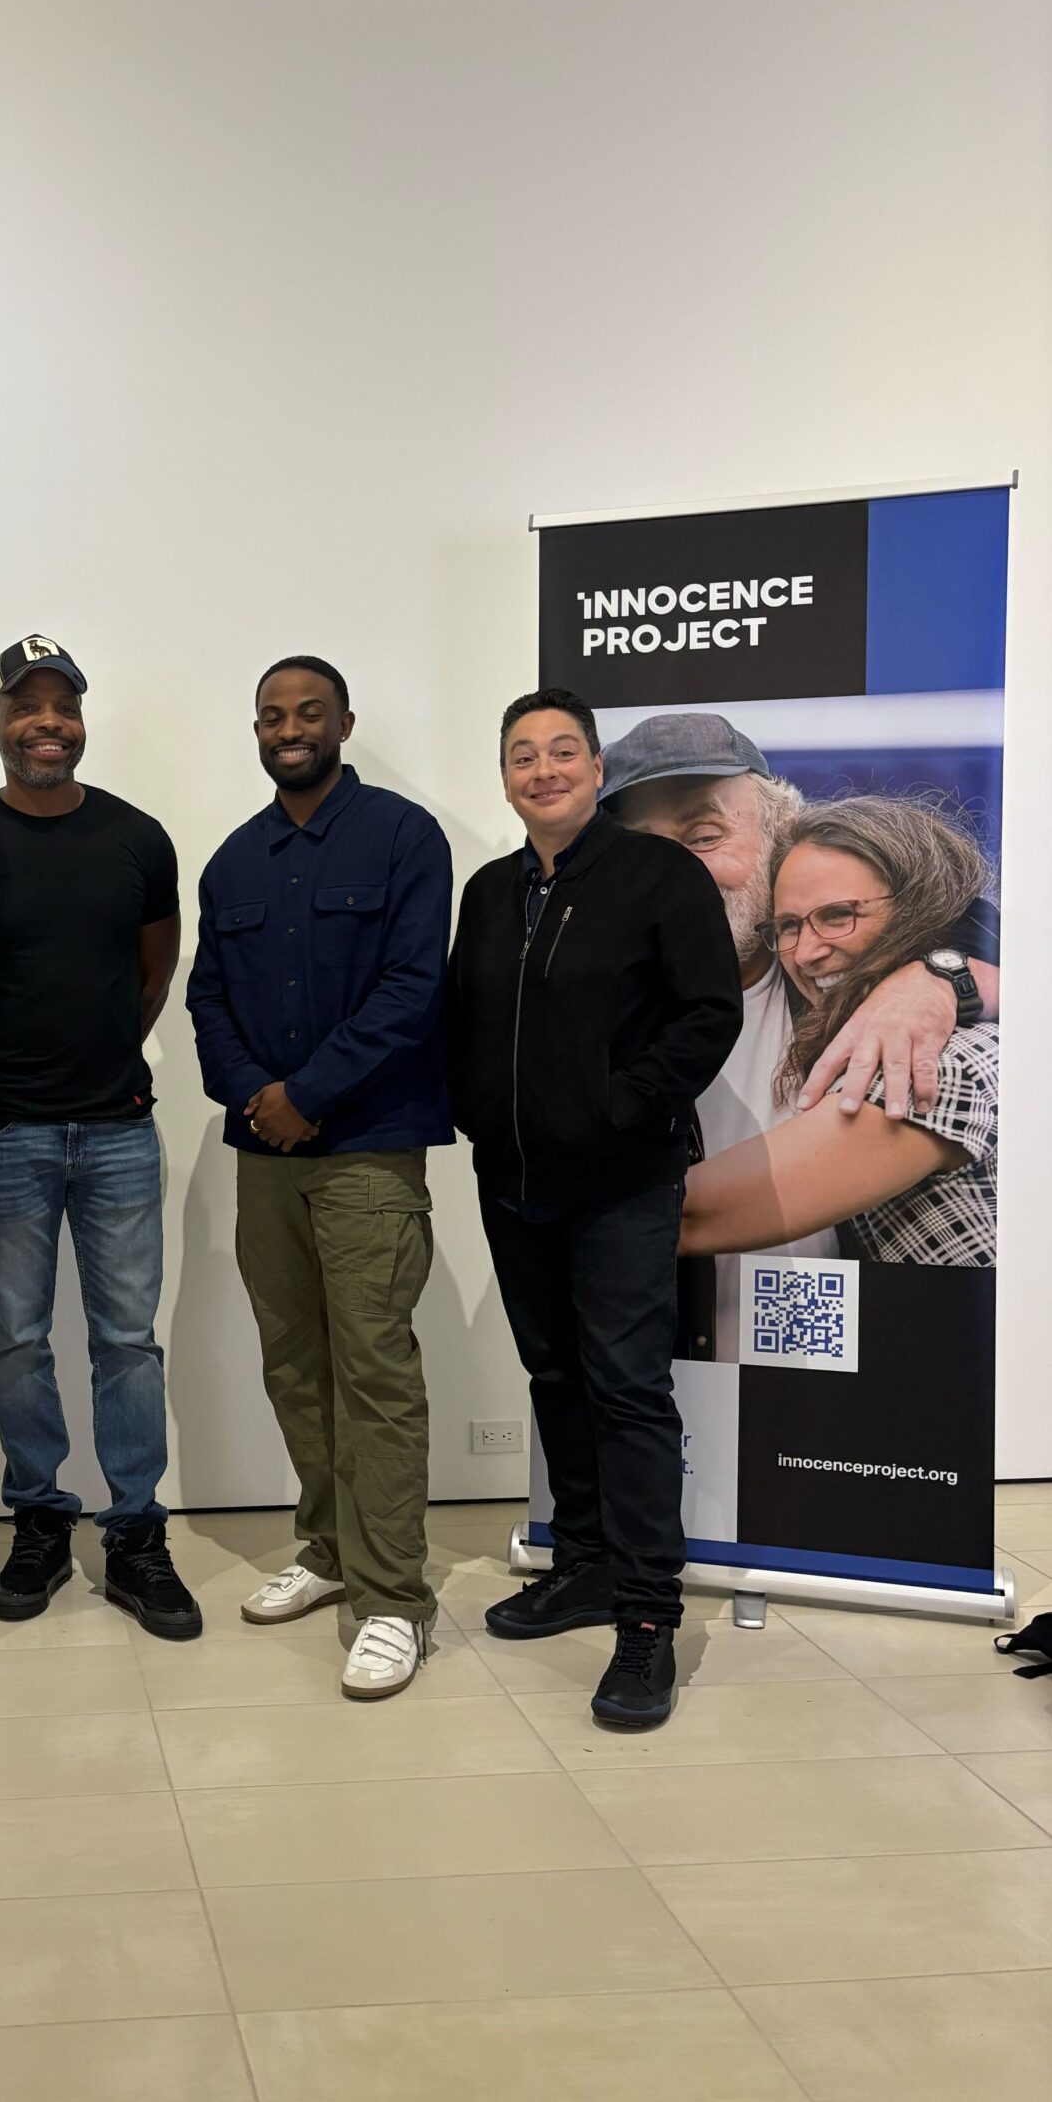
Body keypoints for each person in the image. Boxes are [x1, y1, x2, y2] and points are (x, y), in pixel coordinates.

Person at [451, 689, 741, 1730]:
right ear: (506, 775)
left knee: (626, 1389)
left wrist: (622, 1105)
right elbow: (467, 1019)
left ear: (595, 765)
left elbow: (710, 1010)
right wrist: (479, 1116)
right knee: (555, 1376)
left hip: (622, 1180)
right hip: (515, 1180)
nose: (543, 769)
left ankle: (648, 1620)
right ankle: (581, 1566)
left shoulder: (657, 873)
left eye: (562, 750)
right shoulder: (490, 892)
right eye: (521, 754)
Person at [188, 657, 451, 1700]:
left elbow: (412, 988)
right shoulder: (233, 861)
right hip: (267, 1159)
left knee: (375, 1372)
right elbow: (207, 1000)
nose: (288, 729)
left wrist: (311, 1094)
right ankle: (332, 1549)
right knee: (295, 1365)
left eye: (308, 713)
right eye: (271, 715)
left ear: (344, 721)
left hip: (369, 1152)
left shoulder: (402, 837)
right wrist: (258, 1095)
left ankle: (395, 1600)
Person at [0, 637, 198, 1637]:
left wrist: (92, 1062)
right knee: (16, 1341)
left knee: (129, 1340)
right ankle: (40, 1518)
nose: (49, 720)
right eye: (26, 704)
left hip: (121, 1131)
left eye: (65, 705)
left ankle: (135, 1535)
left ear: (83, 720)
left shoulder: (138, 838)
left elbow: (152, 978)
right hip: (3, 1138)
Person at [603, 713, 999, 1345]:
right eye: (641, 851)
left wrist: (939, 977)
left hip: (889, 1388)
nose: (811, 947)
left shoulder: (919, 1039)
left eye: (705, 835)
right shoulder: (599, 1017)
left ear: (778, 838)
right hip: (677, 1384)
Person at [680, 795, 998, 1265]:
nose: (806, 953)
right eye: (788, 927)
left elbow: (692, 1218)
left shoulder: (938, 1062)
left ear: (919, 907)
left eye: (837, 916)